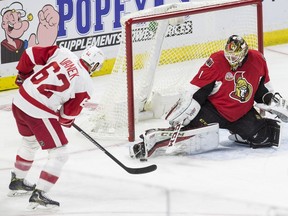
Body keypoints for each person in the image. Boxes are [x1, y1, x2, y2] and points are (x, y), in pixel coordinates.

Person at [130, 35, 288, 159]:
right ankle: (149, 141)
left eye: (235, 57)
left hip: (242, 114)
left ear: (244, 53)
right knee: (191, 136)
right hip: (213, 112)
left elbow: (262, 89)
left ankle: (240, 134)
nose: (231, 60)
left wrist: (271, 100)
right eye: (229, 56)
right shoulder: (217, 61)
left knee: (266, 137)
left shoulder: (258, 60)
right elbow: (198, 91)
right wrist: (186, 111)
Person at [8, 44, 105, 209]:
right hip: (36, 111)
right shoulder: (86, 84)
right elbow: (66, 117)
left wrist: (24, 74)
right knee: (60, 153)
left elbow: (30, 53)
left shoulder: (63, 52)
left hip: (19, 100)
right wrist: (66, 118)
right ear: (94, 65)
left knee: (30, 142)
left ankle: (17, 180)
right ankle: (40, 193)